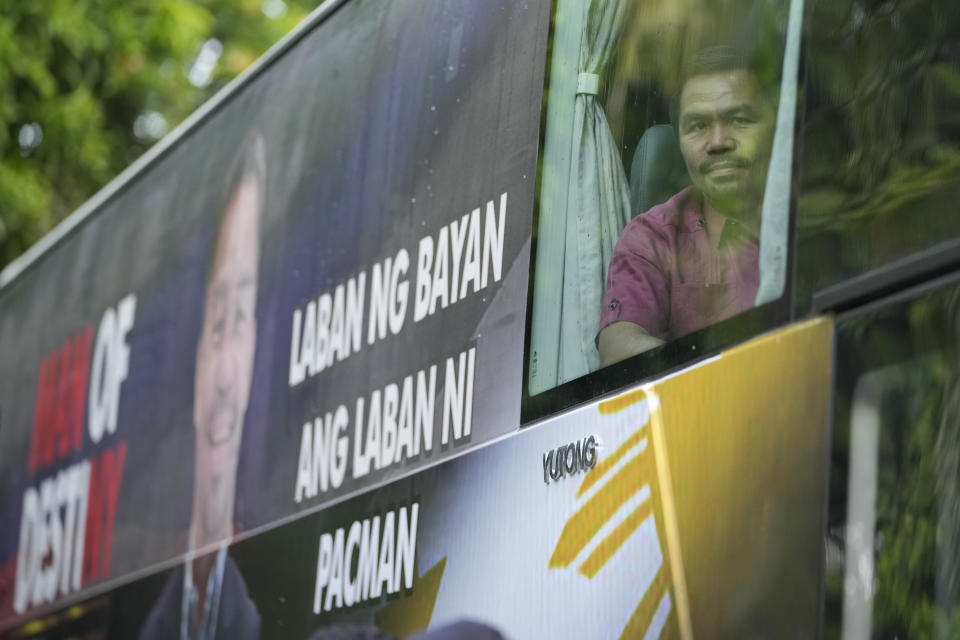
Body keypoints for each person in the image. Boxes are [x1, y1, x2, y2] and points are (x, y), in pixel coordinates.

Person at [140, 134, 266, 640]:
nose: (226, 379)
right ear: (194, 359)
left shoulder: (259, 616)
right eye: (216, 320)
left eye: (240, 318)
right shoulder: (153, 623)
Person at [597, 46, 776, 366]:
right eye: (698, 126)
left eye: (739, 119)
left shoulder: (811, 212)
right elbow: (618, 346)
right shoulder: (653, 237)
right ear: (679, 141)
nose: (719, 141)